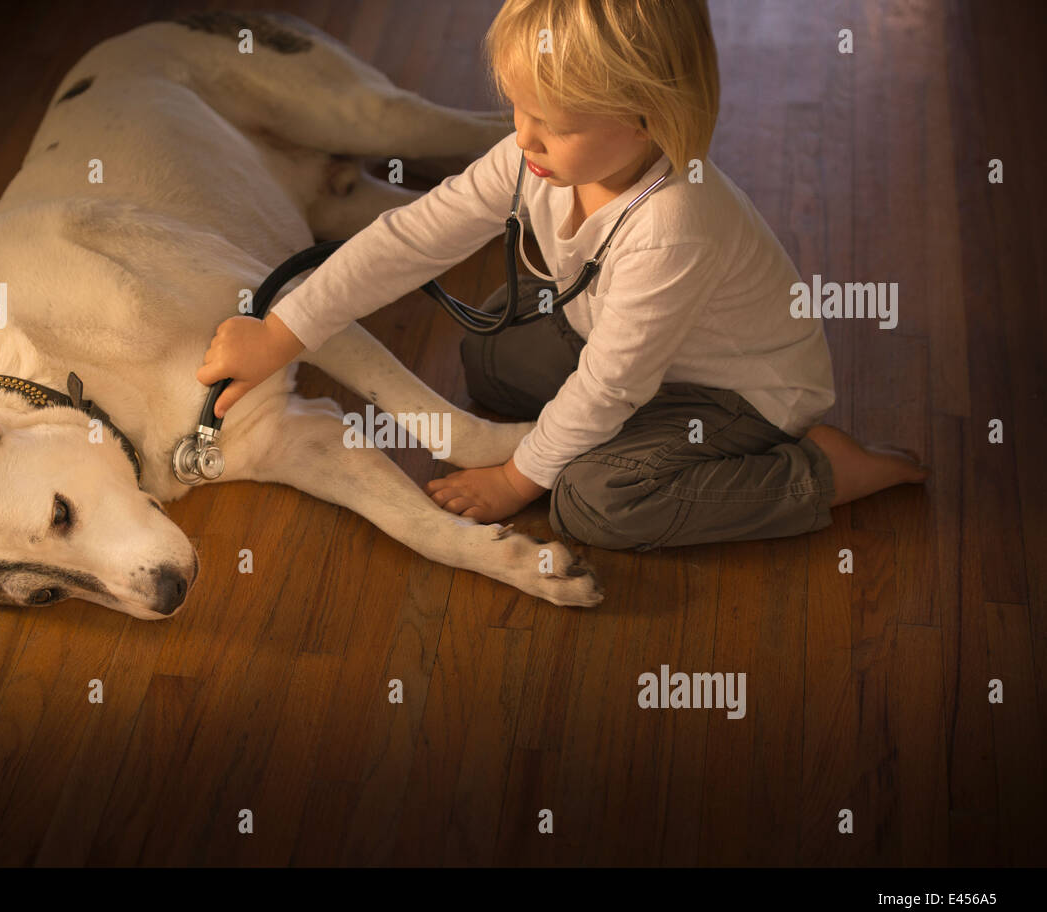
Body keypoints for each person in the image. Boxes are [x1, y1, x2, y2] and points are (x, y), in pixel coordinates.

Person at [196, 0, 928, 550]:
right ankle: (599, 437)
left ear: (648, 117)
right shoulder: (534, 157)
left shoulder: (673, 225)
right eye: (518, 106)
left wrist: (516, 480)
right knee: (487, 352)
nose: (523, 135)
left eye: (556, 124)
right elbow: (412, 236)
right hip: (634, 352)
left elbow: (613, 382)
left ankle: (823, 473)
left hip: (740, 393)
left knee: (592, 502)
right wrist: (282, 332)